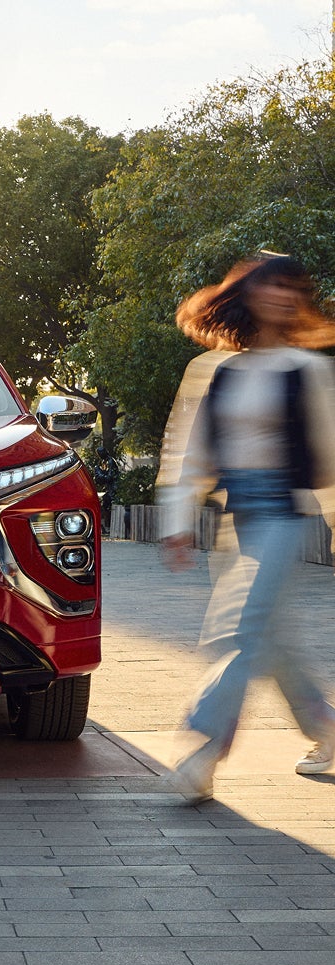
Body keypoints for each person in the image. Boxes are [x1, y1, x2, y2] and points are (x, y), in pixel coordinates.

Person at [157, 252, 335, 801]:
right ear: (250, 293)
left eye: (293, 289)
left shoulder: (308, 370)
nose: (284, 297)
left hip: (286, 515)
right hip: (238, 523)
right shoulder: (215, 369)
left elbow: (329, 460)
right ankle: (328, 730)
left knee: (238, 632)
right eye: (273, 286)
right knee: (272, 642)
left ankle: (204, 752)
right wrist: (178, 520)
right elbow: (190, 453)